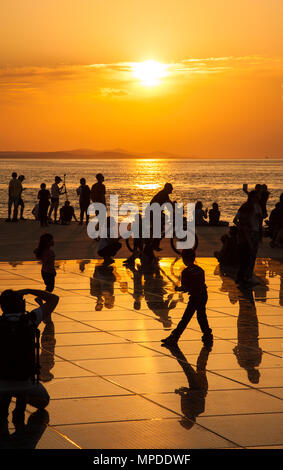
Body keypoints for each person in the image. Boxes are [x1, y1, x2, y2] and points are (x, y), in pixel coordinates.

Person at [0, 288, 59, 436]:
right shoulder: (30, 319)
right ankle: (20, 405)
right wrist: (28, 290)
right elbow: (54, 299)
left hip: (1, 382)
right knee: (43, 401)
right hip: (25, 382)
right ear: (22, 304)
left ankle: (4, 402)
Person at [161, 249, 213, 347]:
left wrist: (178, 288)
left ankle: (175, 337)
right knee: (201, 316)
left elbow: (185, 288)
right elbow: (200, 283)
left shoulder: (185, 272)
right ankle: (207, 335)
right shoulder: (200, 270)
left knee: (186, 318)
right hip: (203, 295)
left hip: (195, 297)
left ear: (184, 259)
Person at [235, 190, 263, 286]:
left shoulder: (256, 207)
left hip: (254, 233)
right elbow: (237, 220)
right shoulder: (248, 207)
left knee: (250, 257)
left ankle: (244, 277)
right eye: (256, 196)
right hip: (250, 234)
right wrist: (243, 229)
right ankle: (245, 278)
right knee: (248, 257)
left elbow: (260, 222)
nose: (258, 198)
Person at [150, 183, 174, 250]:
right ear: (167, 189)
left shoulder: (164, 194)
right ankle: (155, 244)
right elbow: (169, 204)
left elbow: (169, 204)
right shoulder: (163, 194)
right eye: (171, 188)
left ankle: (155, 242)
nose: (172, 190)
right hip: (153, 213)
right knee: (159, 228)